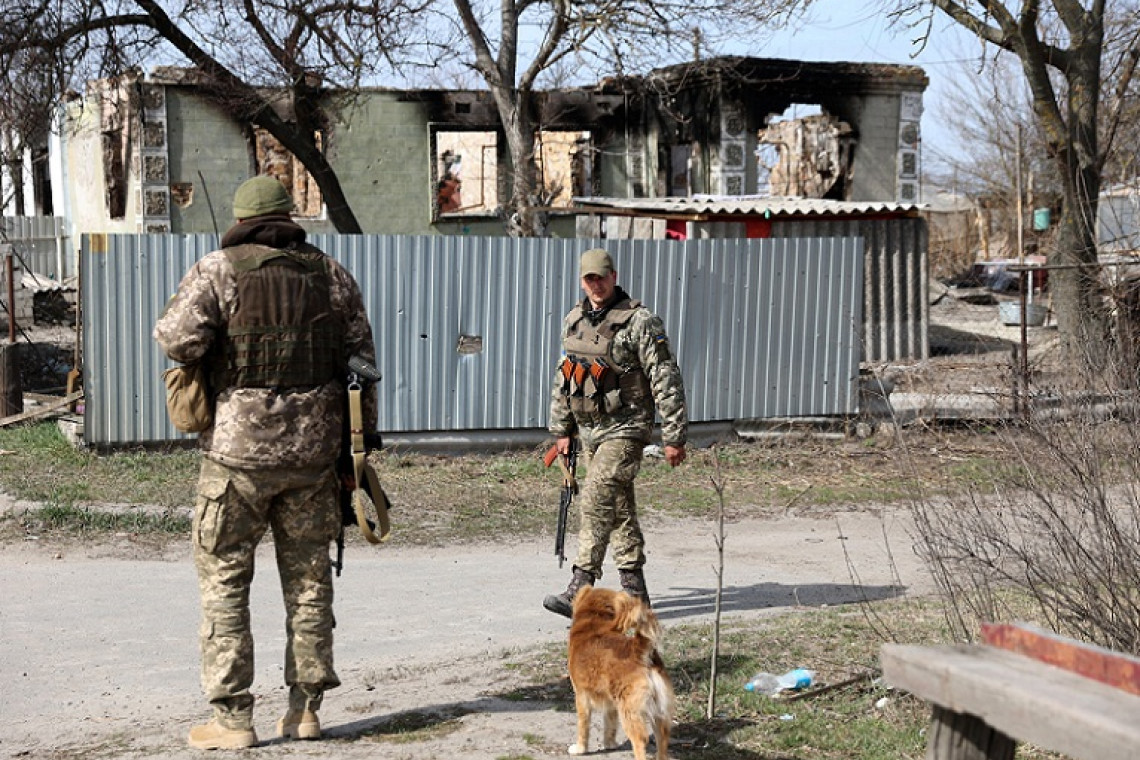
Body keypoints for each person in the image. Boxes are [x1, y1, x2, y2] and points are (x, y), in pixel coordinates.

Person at [153, 175, 377, 749]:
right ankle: (305, 712)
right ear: (287, 217)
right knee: (309, 583)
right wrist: (357, 450)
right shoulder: (332, 276)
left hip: (236, 459)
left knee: (225, 582)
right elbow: (362, 366)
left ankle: (232, 720)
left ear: (241, 219)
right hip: (313, 458)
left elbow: (177, 341)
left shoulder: (218, 270)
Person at [543, 247, 688, 618]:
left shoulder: (641, 322)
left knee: (595, 498)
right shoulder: (574, 320)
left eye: (602, 278)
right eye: (589, 279)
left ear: (614, 277)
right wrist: (562, 429)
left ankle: (580, 588)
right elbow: (565, 378)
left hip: (627, 427)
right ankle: (636, 596)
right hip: (590, 429)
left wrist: (673, 434)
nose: (596, 285)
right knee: (619, 509)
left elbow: (665, 377)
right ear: (582, 281)